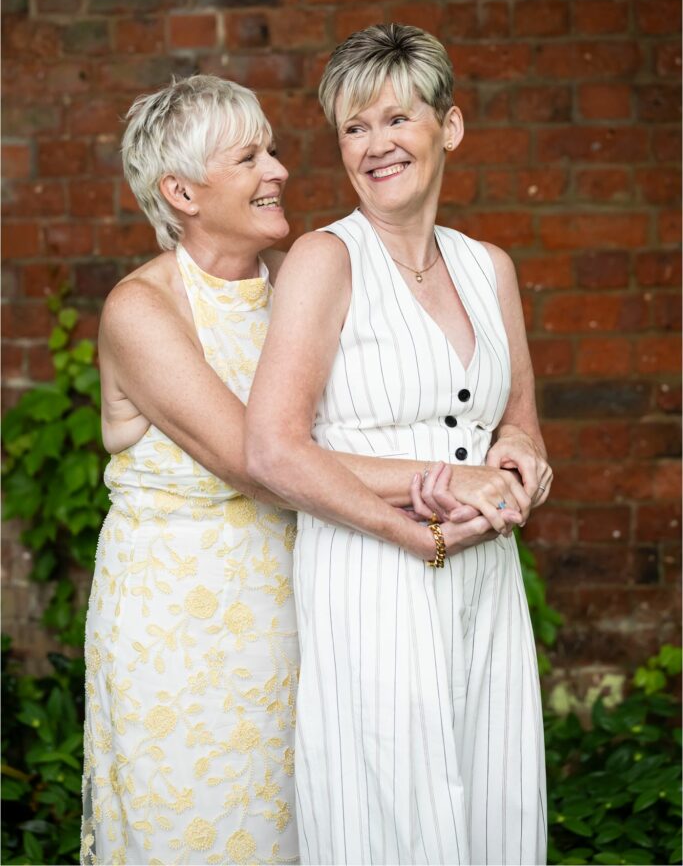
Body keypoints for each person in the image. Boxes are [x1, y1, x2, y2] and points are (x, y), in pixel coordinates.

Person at [80, 73, 532, 866]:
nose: (280, 170)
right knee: (196, 830)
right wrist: (439, 493)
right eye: (250, 157)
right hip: (182, 628)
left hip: (304, 607)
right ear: (181, 191)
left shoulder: (294, 286)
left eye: (275, 150)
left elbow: (348, 427)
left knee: (311, 830)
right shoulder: (141, 311)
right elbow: (259, 461)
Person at [246, 24, 552, 866]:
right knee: (385, 815)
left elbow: (515, 420)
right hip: (368, 576)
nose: (375, 145)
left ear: (446, 127)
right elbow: (271, 450)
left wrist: (524, 459)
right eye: (353, 127)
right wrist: (438, 488)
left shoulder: (489, 267)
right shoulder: (324, 259)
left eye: (396, 119)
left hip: (485, 580)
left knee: (491, 802)